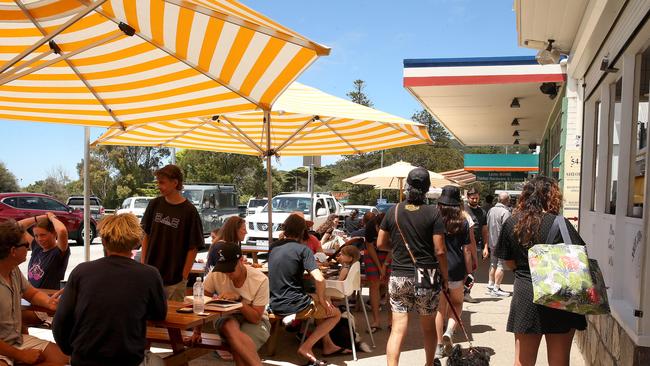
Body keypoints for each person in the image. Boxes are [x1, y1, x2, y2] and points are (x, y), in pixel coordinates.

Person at [495, 176, 586, 366]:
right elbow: (579, 256)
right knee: (559, 361)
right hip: (560, 295)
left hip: (527, 292)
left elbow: (508, 261)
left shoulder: (512, 223)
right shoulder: (560, 223)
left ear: (525, 196)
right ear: (551, 196)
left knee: (523, 361)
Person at [53, 213, 167, 366]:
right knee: (159, 362)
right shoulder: (149, 274)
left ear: (104, 241)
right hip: (127, 359)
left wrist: (71, 351)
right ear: (135, 242)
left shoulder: (82, 271)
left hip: (83, 358)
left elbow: (60, 321)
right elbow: (159, 314)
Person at [377, 167, 449, 366]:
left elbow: (380, 244)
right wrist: (445, 277)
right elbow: (440, 250)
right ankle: (428, 363)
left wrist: (398, 248)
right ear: (427, 188)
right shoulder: (433, 213)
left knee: (398, 327)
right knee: (427, 327)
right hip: (427, 275)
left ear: (408, 186)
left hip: (399, 274)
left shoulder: (394, 210)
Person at [269, 214, 344, 365]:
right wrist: (322, 299)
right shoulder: (303, 250)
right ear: (302, 231)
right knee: (335, 313)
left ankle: (321, 341)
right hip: (295, 303)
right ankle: (307, 346)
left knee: (323, 300)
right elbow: (320, 278)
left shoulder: (274, 247)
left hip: (274, 301)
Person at [0, 220, 68, 366]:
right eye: (25, 245)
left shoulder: (13, 270)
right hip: (3, 347)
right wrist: (21, 355)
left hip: (16, 339)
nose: (30, 247)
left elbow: (31, 293)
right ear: (12, 251)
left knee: (64, 358)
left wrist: (49, 302)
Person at [190, 242, 270, 366]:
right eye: (224, 269)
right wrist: (197, 332)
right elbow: (202, 301)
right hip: (226, 315)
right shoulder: (216, 274)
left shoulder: (260, 279)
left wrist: (239, 301)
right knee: (229, 327)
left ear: (241, 261)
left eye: (230, 269)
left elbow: (255, 318)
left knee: (238, 346)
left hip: (255, 320)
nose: (227, 274)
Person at [141, 164, 204, 301]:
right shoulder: (154, 204)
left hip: (175, 281)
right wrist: (143, 265)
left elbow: (193, 248)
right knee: (150, 319)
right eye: (157, 182)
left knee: (173, 320)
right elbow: (146, 236)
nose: (158, 186)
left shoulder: (189, 211)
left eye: (162, 182)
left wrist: (183, 277)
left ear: (175, 183)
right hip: (151, 276)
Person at [434, 186, 472, 359]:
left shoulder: (434, 221)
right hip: (457, 268)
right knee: (457, 303)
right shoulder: (463, 223)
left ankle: (439, 346)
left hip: (438, 267)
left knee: (440, 309)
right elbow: (467, 250)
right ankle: (449, 331)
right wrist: (469, 272)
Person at [19, 212, 69, 289]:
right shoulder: (37, 247)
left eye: (43, 235)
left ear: (54, 233)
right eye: (36, 236)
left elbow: (62, 230)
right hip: (32, 298)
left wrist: (52, 218)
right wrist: (42, 217)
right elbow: (18, 226)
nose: (39, 239)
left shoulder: (58, 251)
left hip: (49, 298)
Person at [363, 213, 391, 333]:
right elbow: (369, 246)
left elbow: (394, 248)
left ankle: (391, 322)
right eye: (377, 229)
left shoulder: (394, 227)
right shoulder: (370, 225)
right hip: (372, 253)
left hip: (390, 253)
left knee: (390, 286)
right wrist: (379, 268)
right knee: (374, 285)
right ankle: (376, 321)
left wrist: (385, 265)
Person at [485, 192, 512, 297]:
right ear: (507, 200)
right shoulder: (505, 212)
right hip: (501, 243)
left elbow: (486, 225)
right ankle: (496, 288)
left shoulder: (491, 210)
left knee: (493, 264)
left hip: (492, 241)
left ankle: (490, 286)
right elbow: (508, 229)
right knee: (500, 265)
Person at [463, 187, 484, 303]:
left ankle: (466, 292)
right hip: (464, 244)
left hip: (477, 244)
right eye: (472, 198)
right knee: (465, 270)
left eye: (476, 198)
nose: (475, 200)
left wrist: (486, 245)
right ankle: (460, 291)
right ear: (468, 198)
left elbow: (484, 229)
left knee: (472, 270)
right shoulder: (463, 210)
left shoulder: (482, 212)